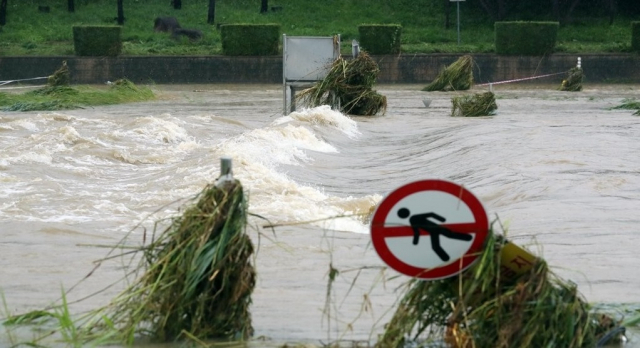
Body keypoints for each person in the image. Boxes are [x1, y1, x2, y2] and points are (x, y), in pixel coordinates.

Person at [397, 208, 472, 262]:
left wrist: (442, 219)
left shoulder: (413, 219)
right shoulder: (413, 219)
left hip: (436, 229)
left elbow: (430, 215)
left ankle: (469, 238)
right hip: (434, 231)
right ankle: (446, 259)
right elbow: (431, 215)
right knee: (437, 245)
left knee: (448, 236)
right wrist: (441, 219)